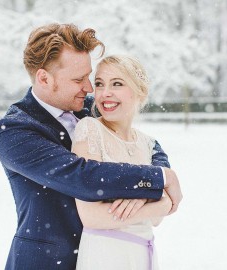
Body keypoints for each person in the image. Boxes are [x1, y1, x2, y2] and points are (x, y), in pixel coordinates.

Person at [0, 23, 182, 270]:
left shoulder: (88, 106)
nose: (90, 88)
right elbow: (82, 176)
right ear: (44, 78)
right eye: (79, 79)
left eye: (89, 77)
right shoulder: (15, 131)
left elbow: (145, 142)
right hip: (47, 262)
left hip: (110, 255)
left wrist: (158, 172)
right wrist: (157, 179)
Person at [72, 55, 172, 270]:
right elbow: (91, 217)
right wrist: (158, 201)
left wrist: (154, 205)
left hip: (142, 255)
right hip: (104, 255)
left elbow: (157, 221)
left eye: (117, 84)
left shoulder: (147, 143)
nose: (105, 92)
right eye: (99, 84)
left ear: (140, 91)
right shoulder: (90, 130)